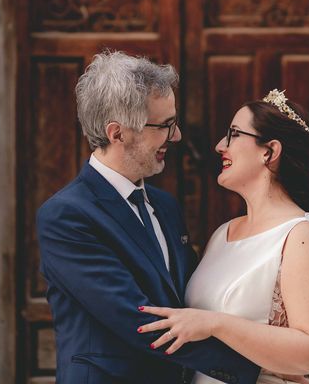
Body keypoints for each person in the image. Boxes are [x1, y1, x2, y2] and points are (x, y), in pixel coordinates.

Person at [36, 51, 260, 384]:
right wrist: (257, 371)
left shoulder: (165, 206)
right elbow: (139, 322)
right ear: (117, 133)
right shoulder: (66, 216)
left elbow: (192, 298)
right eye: (165, 126)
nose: (178, 136)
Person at [138, 89, 309, 383]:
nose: (220, 146)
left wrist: (216, 324)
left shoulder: (300, 236)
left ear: (269, 151)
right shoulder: (222, 235)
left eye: (233, 134)